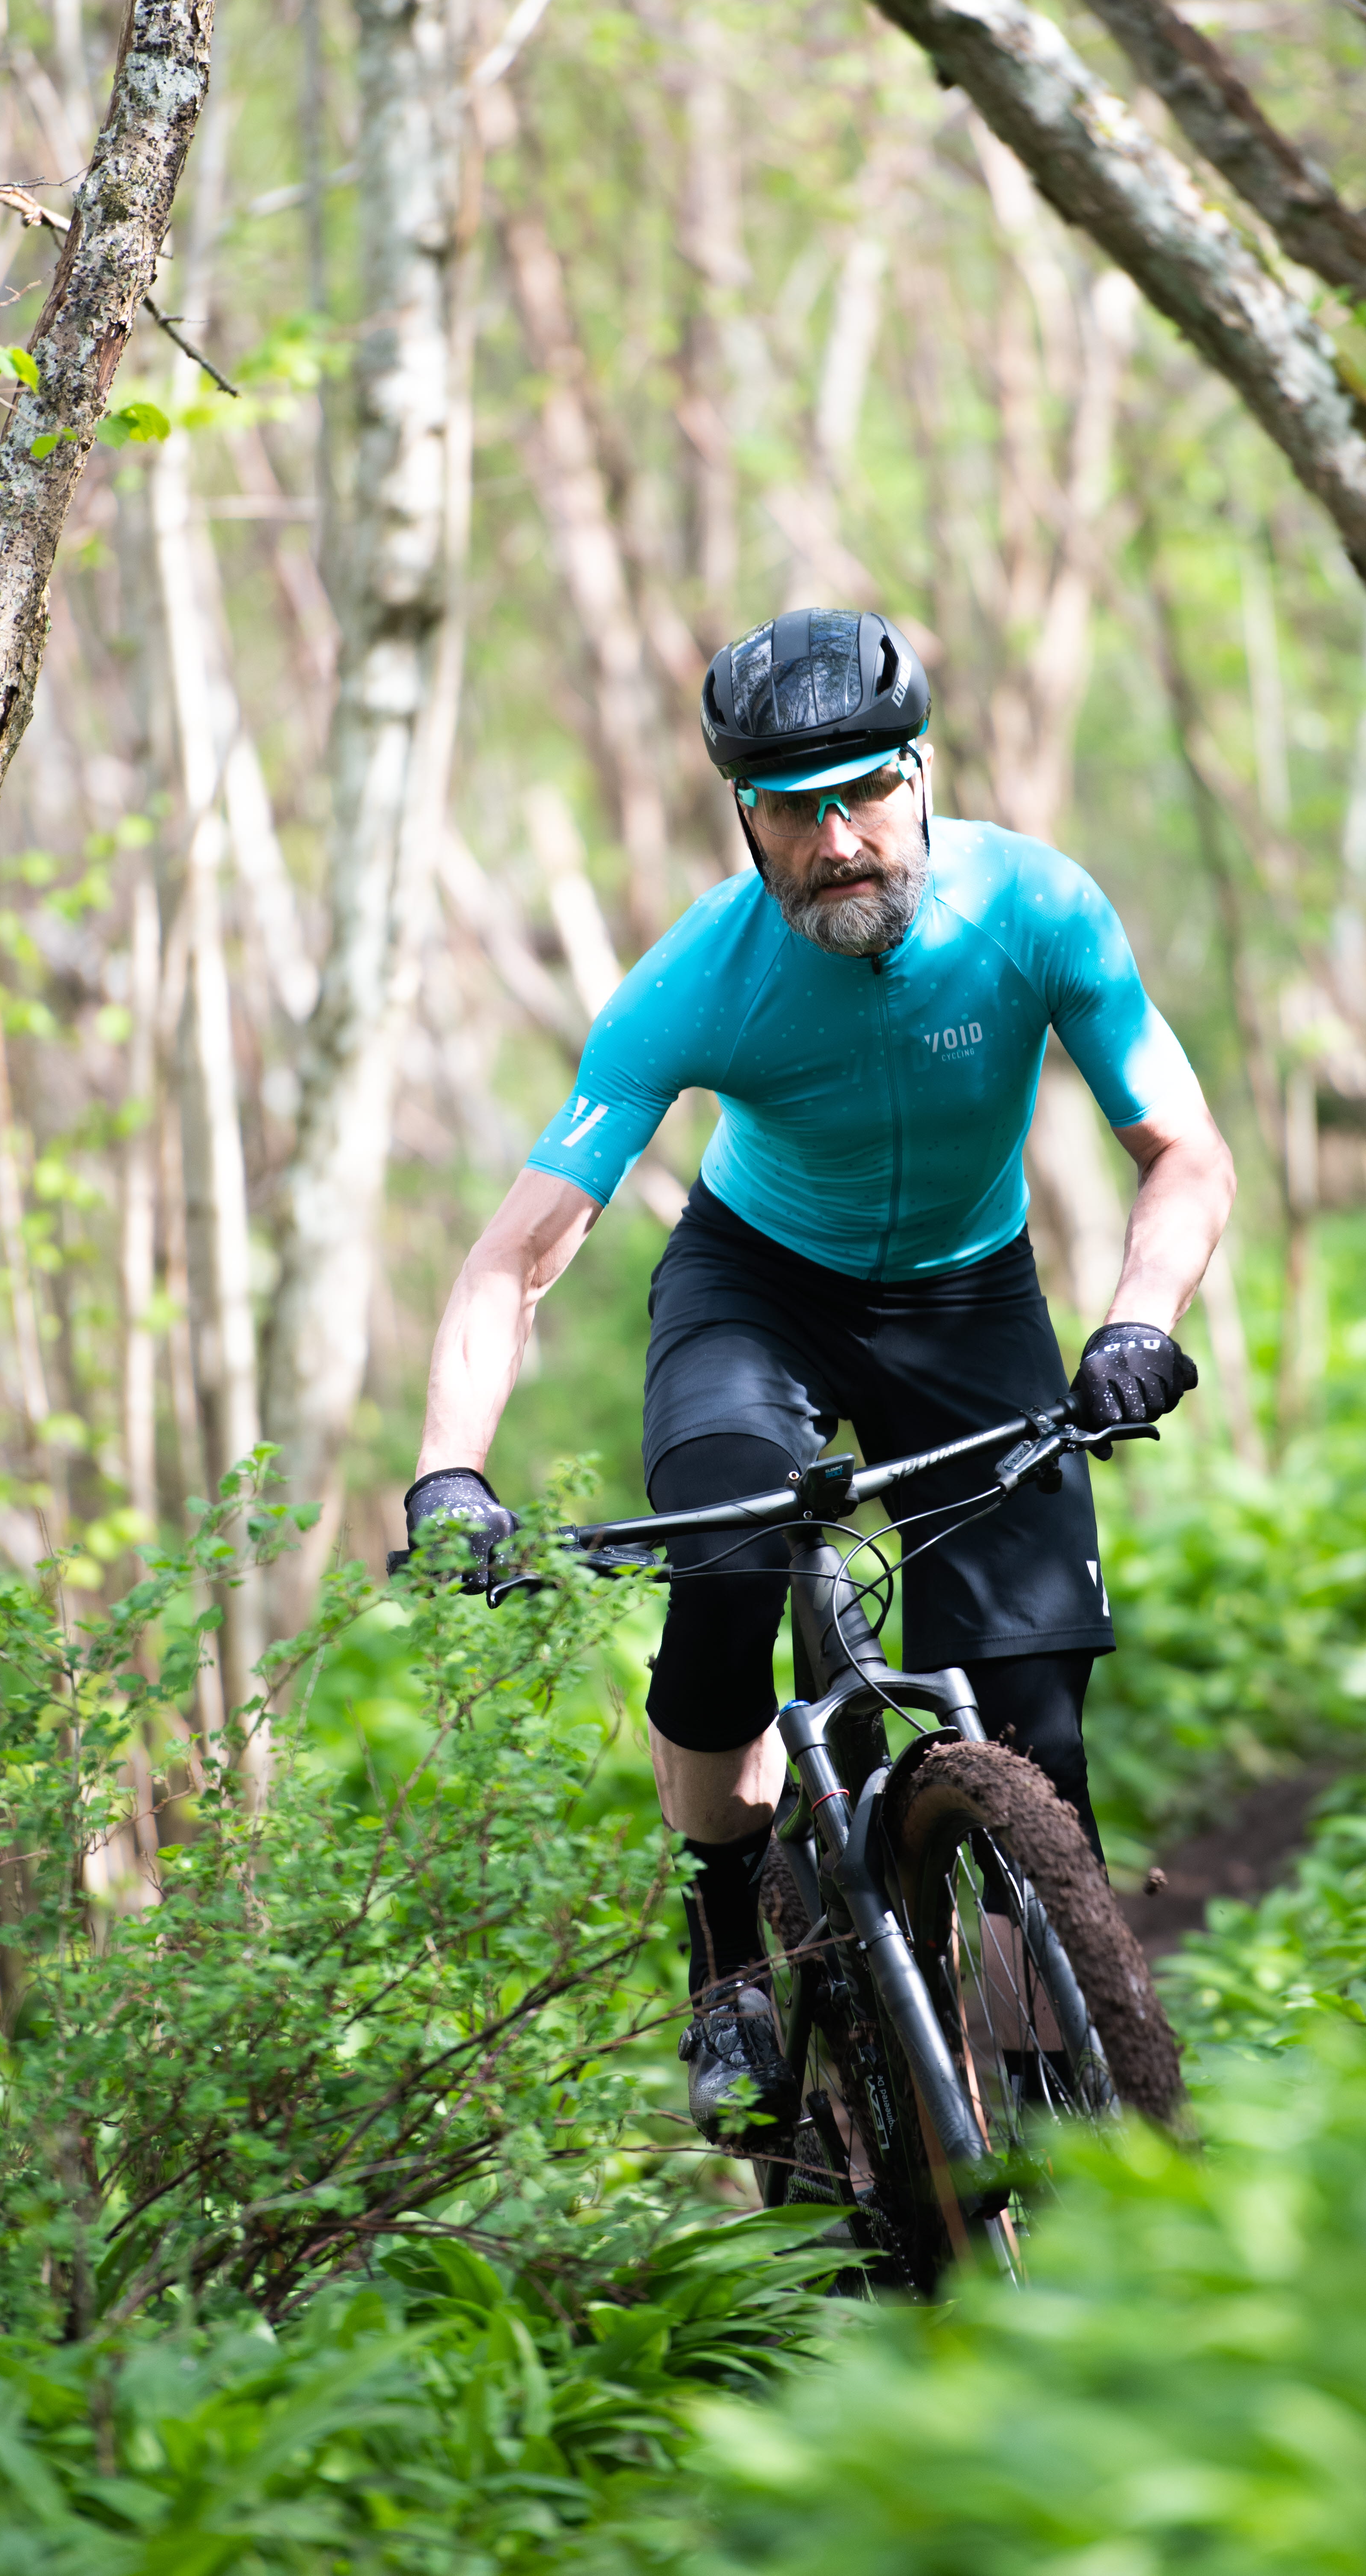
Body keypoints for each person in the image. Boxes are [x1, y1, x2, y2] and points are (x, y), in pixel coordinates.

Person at [403, 605, 1235, 2139]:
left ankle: (1052, 2068)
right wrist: (450, 1468)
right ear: (746, 820)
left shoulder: (1039, 911)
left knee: (1034, 1725)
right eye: (795, 809)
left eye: (864, 791)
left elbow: (1182, 1149)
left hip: (970, 1300)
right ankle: (724, 1927)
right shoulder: (695, 985)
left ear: (920, 773)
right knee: (725, 1553)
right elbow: (517, 1256)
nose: (839, 838)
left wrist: (1137, 1316)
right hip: (756, 1294)